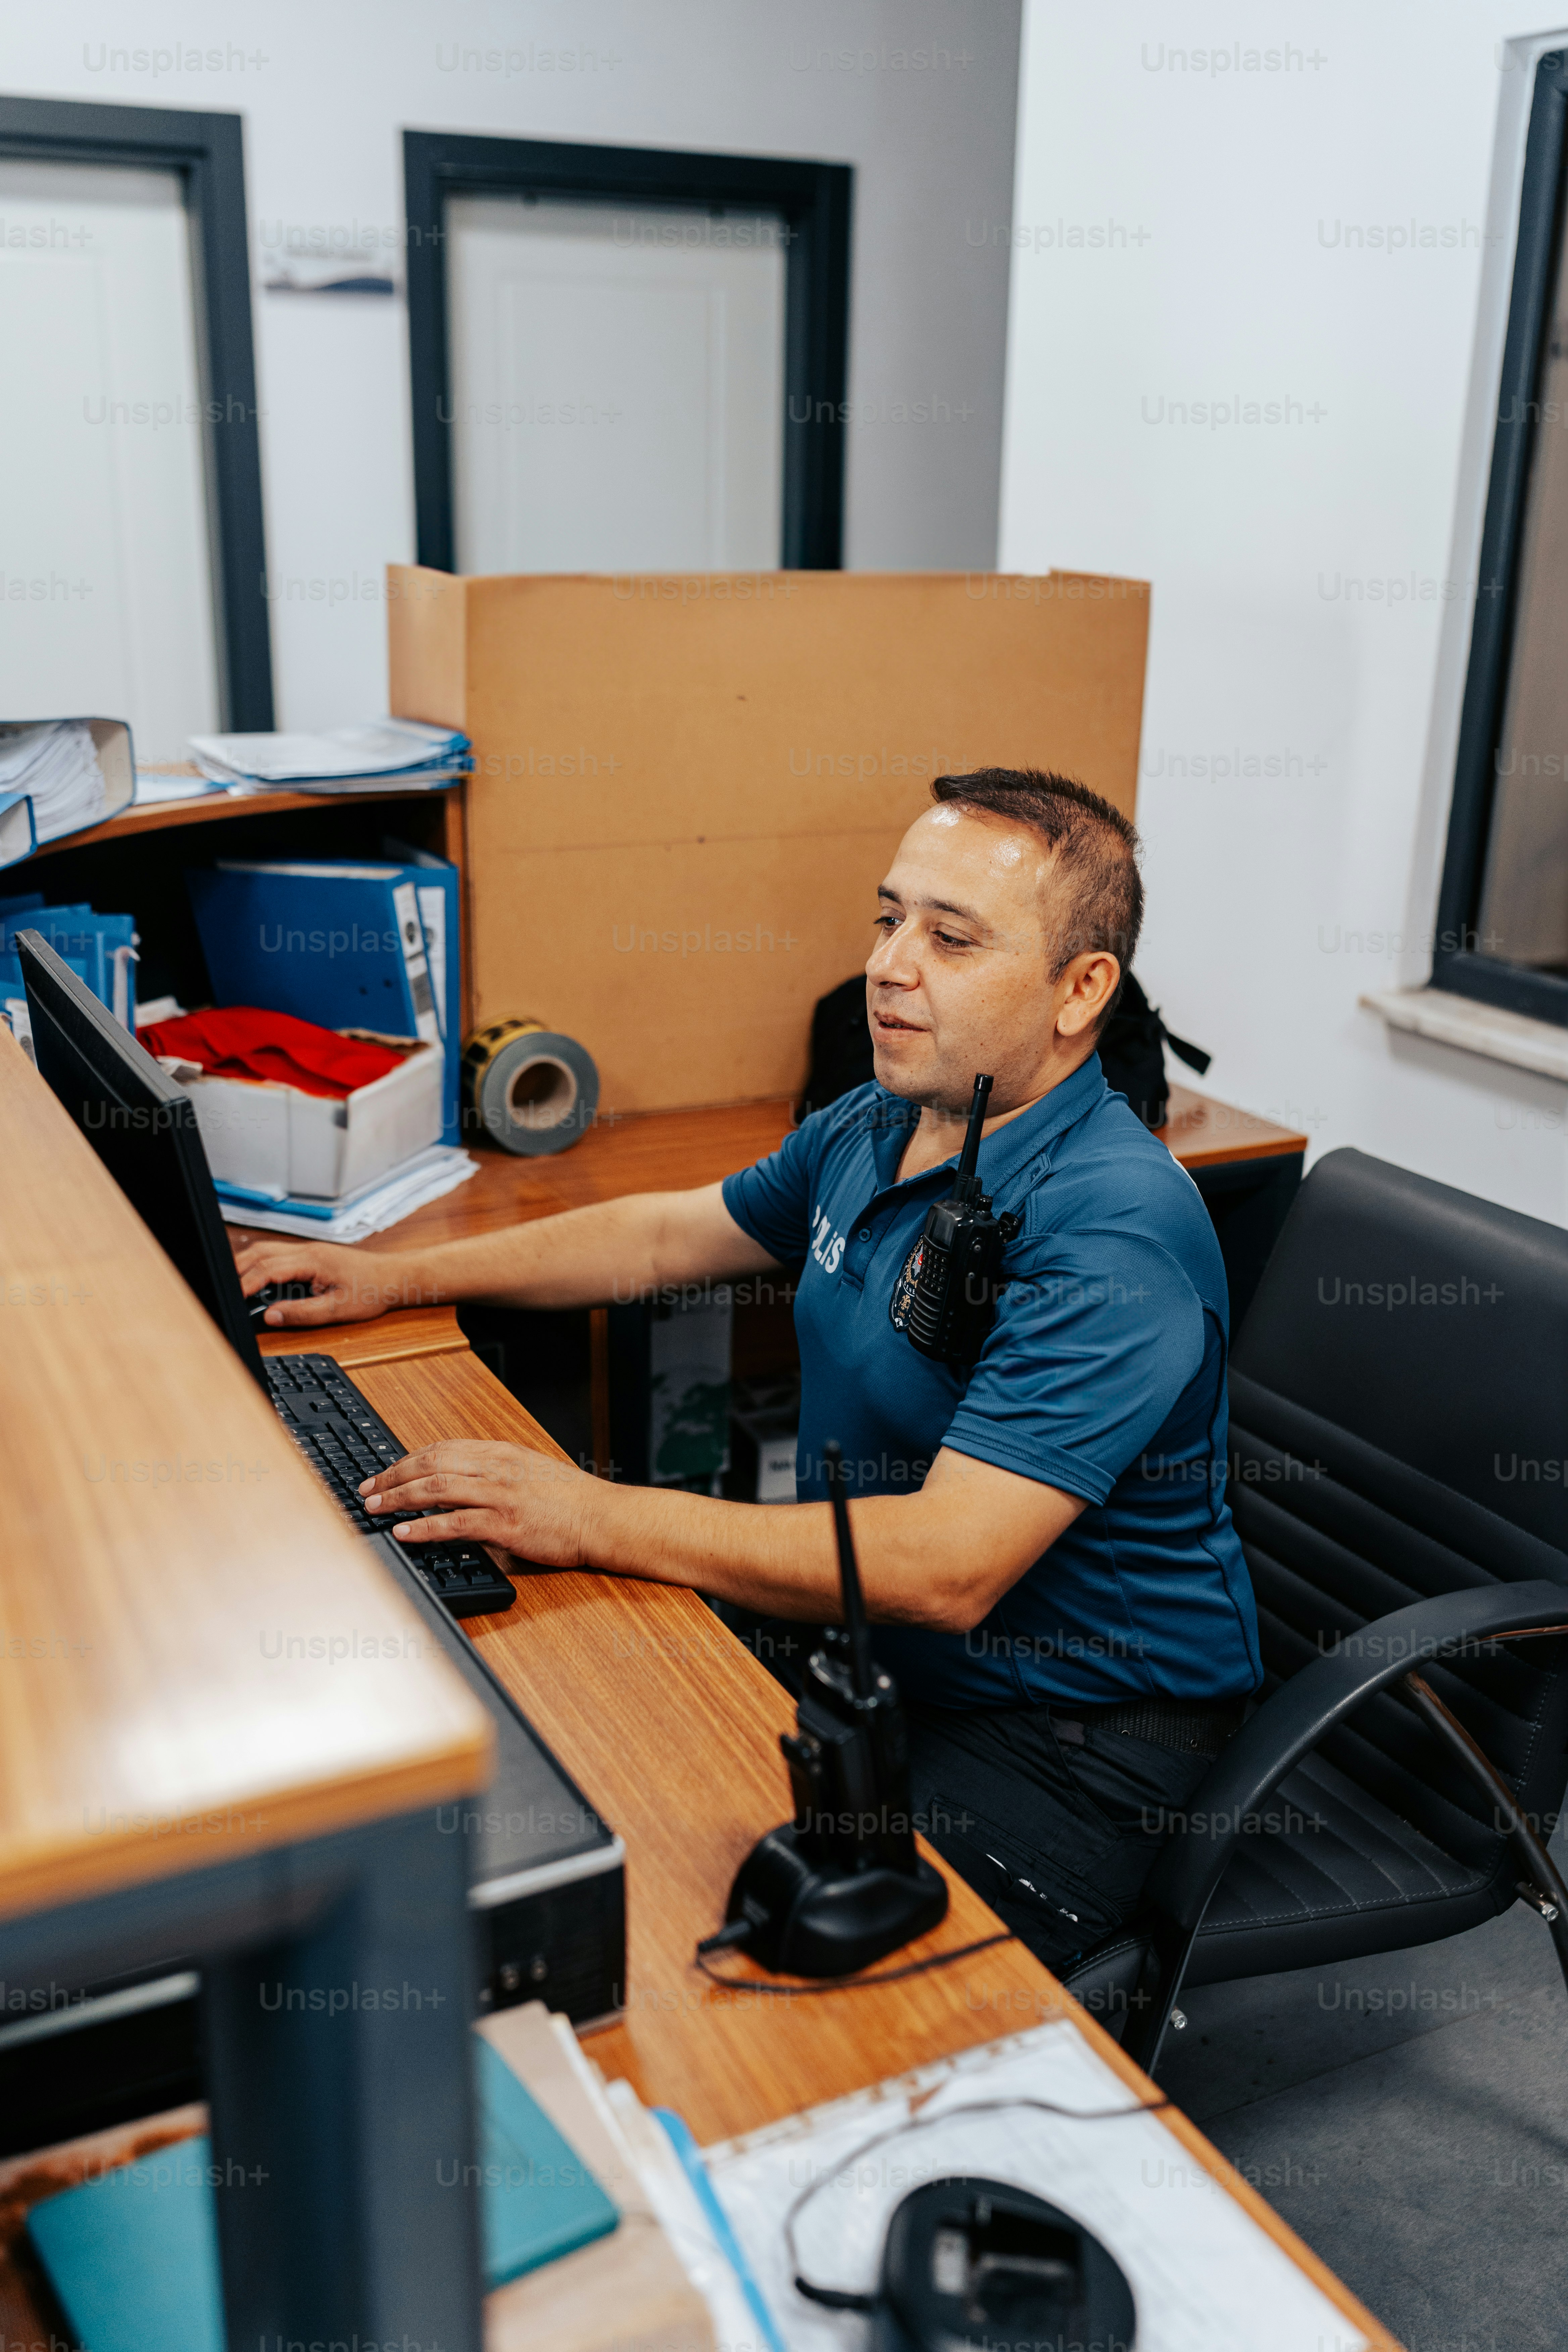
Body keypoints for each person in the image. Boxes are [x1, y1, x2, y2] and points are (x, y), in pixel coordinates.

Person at [236, 768, 1261, 1973]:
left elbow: (944, 1568)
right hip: (883, 1649)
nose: (889, 965)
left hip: (1075, 1735)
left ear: (1082, 990)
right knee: (578, 1747)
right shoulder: (890, 1118)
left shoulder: (1115, 1229)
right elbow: (665, 1236)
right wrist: (396, 1276)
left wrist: (594, 1512)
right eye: (890, 920)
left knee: (735, 1962)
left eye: (952, 937)